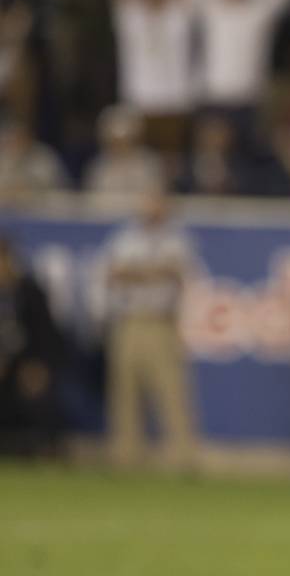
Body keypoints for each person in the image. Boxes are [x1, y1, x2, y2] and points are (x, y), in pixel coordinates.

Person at [101, 185, 201, 470]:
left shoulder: (177, 239)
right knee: (125, 393)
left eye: (157, 203)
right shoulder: (125, 237)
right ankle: (125, 458)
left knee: (172, 393)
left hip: (161, 321)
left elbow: (178, 273)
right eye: (148, 203)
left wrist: (137, 273)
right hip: (129, 321)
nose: (152, 209)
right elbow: (112, 274)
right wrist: (151, 272)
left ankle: (184, 459)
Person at [0, 237, 68, 457]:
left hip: (27, 363)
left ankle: (47, 450)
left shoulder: (28, 291)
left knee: (35, 387)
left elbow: (47, 336)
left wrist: (37, 365)